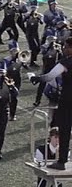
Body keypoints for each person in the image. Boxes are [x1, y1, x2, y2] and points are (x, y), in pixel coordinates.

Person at [36, 38, 72, 168]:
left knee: (65, 129)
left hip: (67, 99)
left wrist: (35, 78)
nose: (63, 49)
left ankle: (62, 161)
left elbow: (49, 76)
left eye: (66, 46)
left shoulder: (66, 62)